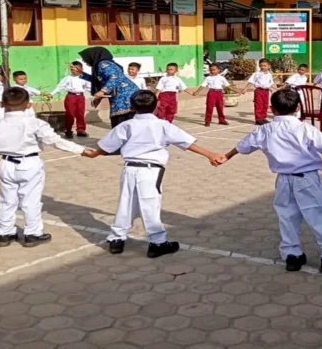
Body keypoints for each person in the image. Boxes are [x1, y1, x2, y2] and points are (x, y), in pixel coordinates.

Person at [218, 89, 322, 275]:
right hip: (307, 179)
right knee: (320, 215)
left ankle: (292, 255)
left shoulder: (265, 130)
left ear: (271, 109)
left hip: (283, 180)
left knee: (287, 216)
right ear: (299, 107)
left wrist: (226, 157)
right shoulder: (305, 128)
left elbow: (243, 145)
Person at [83, 90, 224, 257]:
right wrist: (210, 155)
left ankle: (116, 239)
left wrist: (93, 154)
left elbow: (106, 146)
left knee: (126, 202)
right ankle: (158, 243)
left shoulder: (126, 125)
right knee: (150, 205)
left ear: (132, 107)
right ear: (157, 105)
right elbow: (185, 143)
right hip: (150, 171)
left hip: (129, 169)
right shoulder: (163, 125)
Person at [0, 87, 88, 248]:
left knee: (6, 200)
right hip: (29, 163)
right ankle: (32, 234)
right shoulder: (35, 123)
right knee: (31, 200)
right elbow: (55, 140)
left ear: (2, 104)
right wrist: (81, 150)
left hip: (6, 164)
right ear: (29, 104)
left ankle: (4, 233)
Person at [78, 47, 139, 128]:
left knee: (121, 125)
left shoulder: (103, 64)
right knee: (123, 125)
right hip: (123, 97)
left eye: (85, 58)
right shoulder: (103, 64)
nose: (84, 61)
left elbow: (114, 76)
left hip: (124, 97)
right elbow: (99, 80)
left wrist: (102, 91)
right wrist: (80, 73)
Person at [51, 61, 92, 139]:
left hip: (80, 97)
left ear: (81, 69)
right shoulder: (68, 78)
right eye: (72, 69)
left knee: (80, 114)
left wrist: (94, 96)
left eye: (77, 69)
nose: (74, 71)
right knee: (70, 114)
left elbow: (88, 88)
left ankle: (80, 130)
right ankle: (68, 130)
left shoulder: (84, 78)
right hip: (71, 96)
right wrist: (52, 94)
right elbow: (60, 87)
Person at [242, 58, 276, 125]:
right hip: (259, 91)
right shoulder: (257, 74)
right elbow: (251, 82)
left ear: (269, 66)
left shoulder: (269, 74)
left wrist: (273, 89)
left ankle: (263, 117)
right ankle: (258, 119)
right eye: (261, 66)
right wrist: (245, 89)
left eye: (265, 66)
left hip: (266, 91)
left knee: (265, 105)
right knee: (259, 105)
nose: (263, 67)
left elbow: (270, 83)